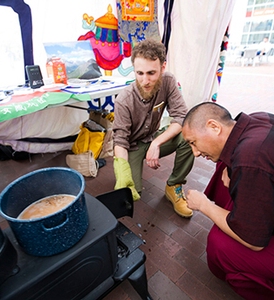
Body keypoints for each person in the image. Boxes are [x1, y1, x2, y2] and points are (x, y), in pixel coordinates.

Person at [181, 102, 274, 299]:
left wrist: (203, 205)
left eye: (193, 142)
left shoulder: (250, 159)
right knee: (223, 165)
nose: (195, 153)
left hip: (258, 236)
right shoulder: (254, 121)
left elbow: (254, 243)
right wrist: (233, 169)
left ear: (215, 127)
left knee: (219, 245)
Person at [112, 39, 194, 218]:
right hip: (131, 146)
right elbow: (120, 141)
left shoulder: (168, 81)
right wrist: (122, 172)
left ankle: (174, 185)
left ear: (163, 67)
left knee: (190, 137)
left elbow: (181, 116)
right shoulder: (124, 100)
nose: (145, 80)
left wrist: (157, 143)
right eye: (139, 73)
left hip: (152, 137)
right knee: (131, 195)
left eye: (151, 73)